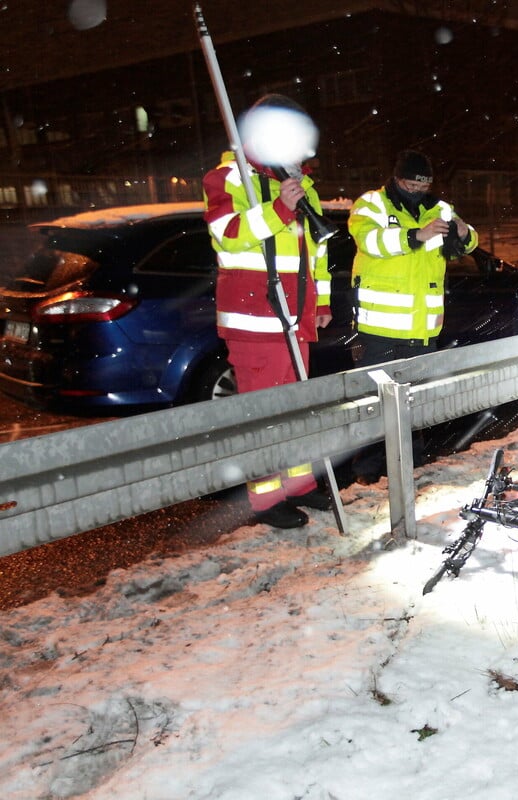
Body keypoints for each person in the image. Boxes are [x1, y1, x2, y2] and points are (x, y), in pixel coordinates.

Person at [203, 93, 334, 528]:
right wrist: (279, 209)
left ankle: (299, 484)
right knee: (263, 415)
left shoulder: (299, 184)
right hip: (254, 319)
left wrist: (322, 302)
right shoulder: (227, 177)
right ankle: (264, 500)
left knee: (296, 409)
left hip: (295, 318)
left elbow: (314, 255)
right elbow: (228, 233)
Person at [347, 149, 478, 484]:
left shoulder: (440, 208)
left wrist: (464, 234)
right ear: (397, 178)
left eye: (425, 184)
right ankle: (372, 473)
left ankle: (414, 464)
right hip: (380, 324)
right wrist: (415, 235)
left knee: (415, 398)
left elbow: (471, 241)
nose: (419, 190)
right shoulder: (373, 203)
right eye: (412, 183)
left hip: (422, 324)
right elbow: (369, 240)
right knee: (377, 400)